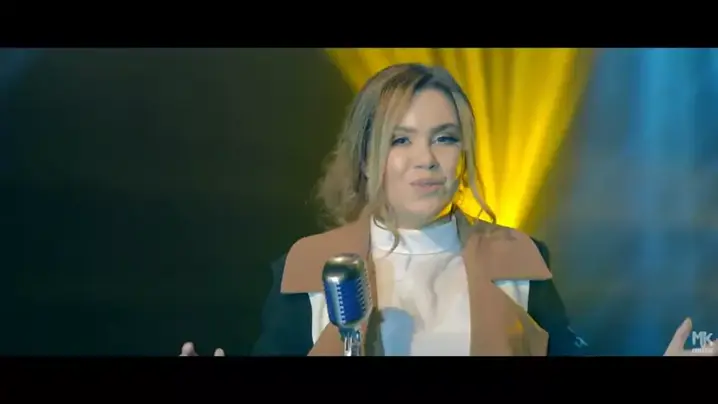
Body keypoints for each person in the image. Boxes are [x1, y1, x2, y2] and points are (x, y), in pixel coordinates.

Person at [180, 63, 715, 357]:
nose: (426, 159)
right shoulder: (310, 266)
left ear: (464, 152)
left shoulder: (518, 259)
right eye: (401, 140)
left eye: (444, 137)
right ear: (366, 154)